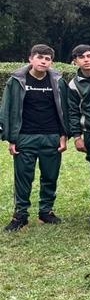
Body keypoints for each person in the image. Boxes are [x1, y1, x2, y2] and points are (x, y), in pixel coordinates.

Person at [1, 44, 68, 232]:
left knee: (50, 176)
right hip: (25, 136)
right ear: (30, 59)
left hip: (51, 136)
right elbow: (7, 109)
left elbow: (64, 109)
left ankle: (46, 212)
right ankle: (20, 215)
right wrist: (11, 139)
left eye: (47, 59)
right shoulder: (16, 81)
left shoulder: (58, 81)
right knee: (23, 178)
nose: (43, 61)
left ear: (51, 62)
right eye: (40, 57)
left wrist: (64, 135)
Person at [66, 44, 90, 221]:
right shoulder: (73, 85)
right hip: (89, 132)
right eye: (81, 57)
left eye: (89, 56)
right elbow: (73, 112)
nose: (86, 60)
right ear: (75, 61)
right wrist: (76, 136)